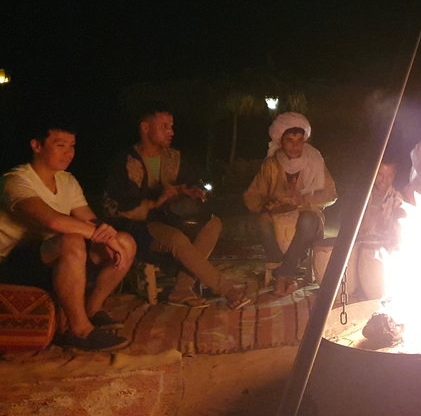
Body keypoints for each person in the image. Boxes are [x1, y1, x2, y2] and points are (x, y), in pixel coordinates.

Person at [0, 118, 135, 351]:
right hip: (11, 263)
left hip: (50, 256)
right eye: (60, 145)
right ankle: (79, 331)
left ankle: (93, 309)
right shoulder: (15, 181)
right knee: (72, 240)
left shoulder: (67, 180)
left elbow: (90, 220)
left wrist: (109, 234)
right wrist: (102, 236)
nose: (69, 153)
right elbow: (52, 220)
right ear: (37, 146)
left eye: (72, 146)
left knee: (126, 242)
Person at [103, 103, 250, 310]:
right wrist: (158, 198)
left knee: (213, 223)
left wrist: (193, 191)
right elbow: (116, 207)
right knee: (176, 239)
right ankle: (227, 290)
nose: (171, 132)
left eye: (171, 127)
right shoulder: (127, 162)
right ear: (145, 128)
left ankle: (182, 289)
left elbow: (192, 183)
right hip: (140, 227)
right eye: (164, 127)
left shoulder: (173, 158)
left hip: (170, 219)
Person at [244, 112, 337, 297]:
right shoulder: (271, 165)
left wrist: (305, 200)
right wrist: (267, 205)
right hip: (278, 219)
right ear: (280, 142)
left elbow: (331, 194)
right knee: (262, 220)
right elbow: (252, 195)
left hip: (308, 219)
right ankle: (282, 266)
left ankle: (283, 274)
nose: (295, 146)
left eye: (299, 140)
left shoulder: (315, 162)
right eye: (290, 140)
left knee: (307, 220)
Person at [359, 161, 404, 245]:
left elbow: (401, 222)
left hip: (380, 250)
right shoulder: (359, 195)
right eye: (380, 174)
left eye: (389, 175)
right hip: (355, 248)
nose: (384, 180)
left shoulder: (397, 200)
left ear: (394, 175)